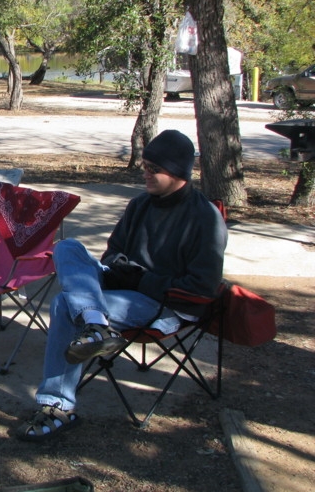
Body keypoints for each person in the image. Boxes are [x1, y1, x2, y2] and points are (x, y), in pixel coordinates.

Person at [14, 130, 228, 443]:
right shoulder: (140, 205)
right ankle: (97, 326)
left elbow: (201, 288)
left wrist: (141, 279)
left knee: (63, 304)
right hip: (125, 288)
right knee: (68, 247)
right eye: (144, 167)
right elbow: (112, 253)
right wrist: (120, 269)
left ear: (178, 172)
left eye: (154, 169)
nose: (146, 174)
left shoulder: (205, 218)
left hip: (167, 304)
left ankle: (57, 406)